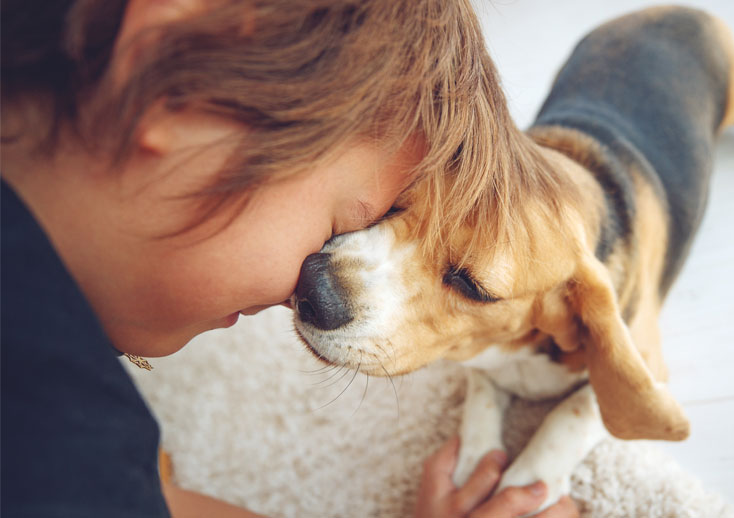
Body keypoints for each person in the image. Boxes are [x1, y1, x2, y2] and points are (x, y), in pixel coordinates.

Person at [0, 1, 579, 517]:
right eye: (342, 223)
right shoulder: (52, 441)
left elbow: (151, 502)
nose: (306, 287)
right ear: (178, 76)